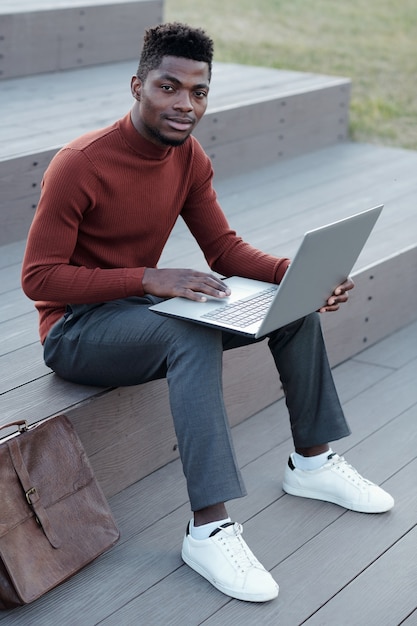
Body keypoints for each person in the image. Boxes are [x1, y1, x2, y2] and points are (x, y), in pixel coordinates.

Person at [21, 22, 394, 603]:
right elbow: (38, 278)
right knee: (189, 337)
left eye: (198, 92)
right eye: (169, 87)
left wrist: (296, 277)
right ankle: (209, 527)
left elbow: (224, 249)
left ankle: (313, 463)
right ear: (137, 85)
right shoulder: (80, 165)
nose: (184, 105)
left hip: (142, 311)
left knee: (289, 308)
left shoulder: (188, 157)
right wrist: (149, 277)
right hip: (76, 329)